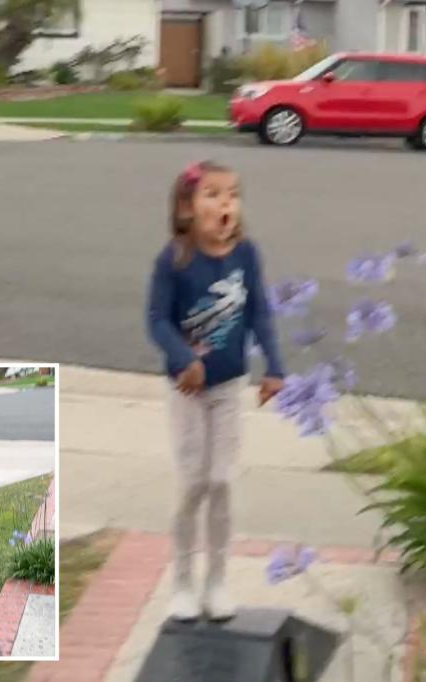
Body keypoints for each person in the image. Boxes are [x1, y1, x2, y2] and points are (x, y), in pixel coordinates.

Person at [146, 160, 285, 622]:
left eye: (233, 193)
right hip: (186, 392)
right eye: (213, 194)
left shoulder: (246, 254)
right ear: (187, 208)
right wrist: (185, 359)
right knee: (193, 484)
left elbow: (260, 312)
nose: (226, 202)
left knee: (222, 481)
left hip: (228, 387)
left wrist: (274, 367)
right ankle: (183, 582)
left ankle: (217, 581)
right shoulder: (174, 260)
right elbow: (157, 322)